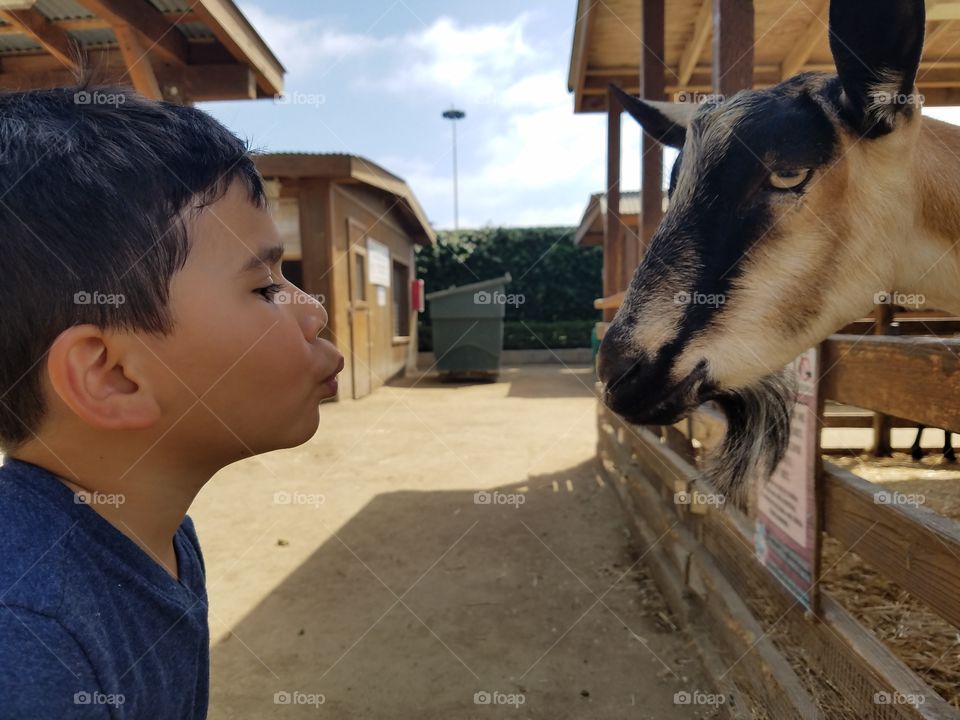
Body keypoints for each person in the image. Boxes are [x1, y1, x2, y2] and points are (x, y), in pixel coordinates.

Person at [0, 81, 343, 719]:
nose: (314, 311)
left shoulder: (161, 534)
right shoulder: (27, 646)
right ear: (112, 376)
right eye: (265, 288)